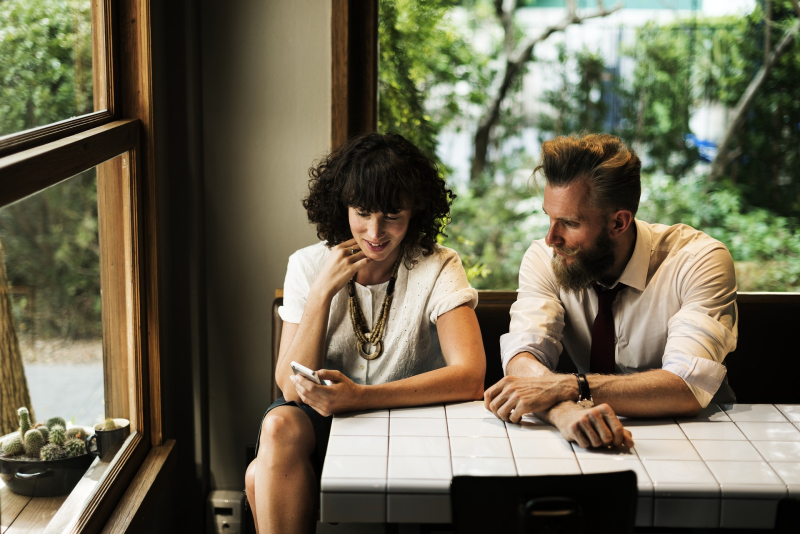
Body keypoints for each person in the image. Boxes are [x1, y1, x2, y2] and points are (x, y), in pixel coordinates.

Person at [245, 132, 486, 534]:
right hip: (322, 423)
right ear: (344, 207)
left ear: (415, 211)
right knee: (278, 425)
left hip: (414, 420)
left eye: (392, 215)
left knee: (257, 476)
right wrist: (322, 291)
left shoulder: (439, 264)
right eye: (363, 212)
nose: (375, 232)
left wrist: (360, 398)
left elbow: (471, 375)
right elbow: (290, 388)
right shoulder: (307, 265)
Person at [485, 132, 737, 449]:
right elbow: (524, 357)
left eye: (570, 223)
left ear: (618, 223)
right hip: (584, 436)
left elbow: (687, 385)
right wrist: (564, 412)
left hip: (703, 439)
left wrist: (571, 387)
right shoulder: (545, 257)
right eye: (549, 218)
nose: (551, 238)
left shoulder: (699, 260)